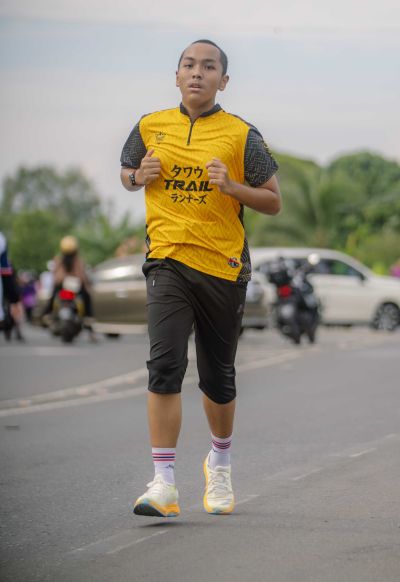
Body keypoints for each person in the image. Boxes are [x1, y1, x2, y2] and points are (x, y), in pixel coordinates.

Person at [120, 39, 281, 518]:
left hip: (222, 266)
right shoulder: (150, 126)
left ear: (223, 81)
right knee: (164, 365)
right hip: (167, 260)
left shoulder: (241, 134)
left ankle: (220, 462)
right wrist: (138, 177)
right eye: (188, 65)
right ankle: (163, 483)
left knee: (218, 377)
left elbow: (273, 200)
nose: (197, 73)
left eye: (208, 67)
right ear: (176, 76)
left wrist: (231, 186)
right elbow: (126, 173)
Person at [43, 236, 95, 338]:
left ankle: (47, 313)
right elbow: (82, 276)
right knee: (86, 297)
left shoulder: (62, 260)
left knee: (53, 296)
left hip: (69, 288)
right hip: (68, 288)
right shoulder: (75, 261)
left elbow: (56, 275)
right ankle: (88, 317)